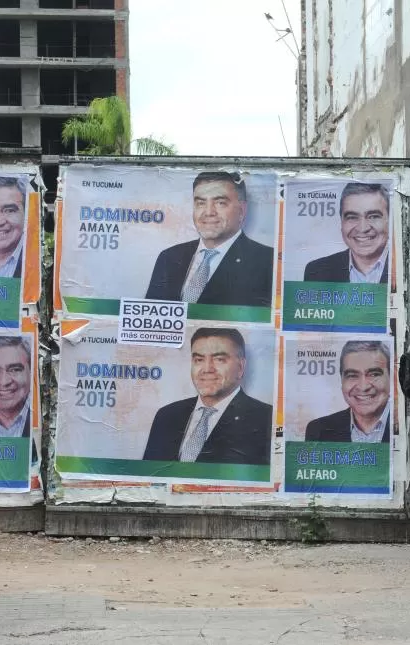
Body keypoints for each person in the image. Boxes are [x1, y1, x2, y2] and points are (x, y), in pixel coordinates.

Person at [143, 328, 272, 465]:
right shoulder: (166, 415)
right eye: (199, 359)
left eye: (219, 359)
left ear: (240, 367)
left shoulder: (267, 419)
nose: (207, 369)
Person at [145, 172, 274, 308]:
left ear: (241, 210)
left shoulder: (267, 262)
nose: (208, 212)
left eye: (220, 203)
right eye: (201, 203)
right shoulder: (169, 257)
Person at [304, 340, 391, 443]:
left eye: (374, 374)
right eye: (352, 375)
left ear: (391, 377)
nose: (363, 387)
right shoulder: (318, 431)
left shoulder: (405, 424)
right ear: (341, 381)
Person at [303, 183, 390, 284]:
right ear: (341, 223)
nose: (363, 228)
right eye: (352, 217)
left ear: (389, 220)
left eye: (373, 216)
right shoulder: (316, 272)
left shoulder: (405, 266)